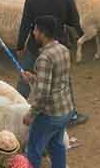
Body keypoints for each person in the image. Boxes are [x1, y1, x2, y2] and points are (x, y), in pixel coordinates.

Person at [21, 16, 74, 168]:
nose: (33, 34)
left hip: (50, 114)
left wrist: (31, 114)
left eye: (35, 30)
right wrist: (33, 78)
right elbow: (57, 79)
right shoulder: (63, 49)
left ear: (43, 33)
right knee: (56, 146)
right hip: (65, 109)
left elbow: (43, 95)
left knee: (33, 150)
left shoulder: (44, 58)